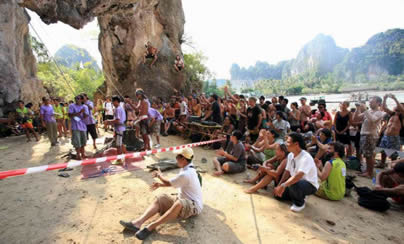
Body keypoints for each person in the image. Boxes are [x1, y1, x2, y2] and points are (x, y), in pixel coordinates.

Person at [119, 147, 202, 240]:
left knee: (179, 203)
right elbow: (176, 183)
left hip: (194, 206)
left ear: (183, 159)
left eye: (177, 157)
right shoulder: (188, 167)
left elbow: (169, 182)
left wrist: (159, 175)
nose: (176, 158)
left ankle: (151, 227)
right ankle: (137, 223)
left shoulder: (186, 173)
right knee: (161, 198)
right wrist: (160, 185)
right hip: (183, 199)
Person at [274, 133, 319, 212]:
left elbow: (298, 176)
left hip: (309, 185)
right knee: (278, 196)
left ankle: (299, 203)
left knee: (294, 183)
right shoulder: (290, 155)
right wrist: (279, 185)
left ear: (296, 144)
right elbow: (287, 171)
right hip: (295, 182)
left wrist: (283, 186)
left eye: (288, 142)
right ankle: (297, 194)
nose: (286, 144)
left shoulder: (306, 157)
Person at [353, 96, 386, 178]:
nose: (370, 103)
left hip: (370, 135)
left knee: (369, 155)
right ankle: (367, 171)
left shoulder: (379, 112)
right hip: (364, 134)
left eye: (372, 102)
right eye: (370, 102)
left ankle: (370, 173)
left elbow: (372, 119)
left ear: (378, 103)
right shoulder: (369, 111)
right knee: (366, 155)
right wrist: (357, 108)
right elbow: (355, 118)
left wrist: (365, 109)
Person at [378, 94, 404, 168]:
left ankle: (393, 165)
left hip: (394, 137)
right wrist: (385, 98)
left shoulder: (402, 116)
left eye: (400, 106)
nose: (398, 107)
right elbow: (384, 108)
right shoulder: (392, 114)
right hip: (386, 136)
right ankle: (382, 163)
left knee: (394, 153)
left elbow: (402, 109)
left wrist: (395, 99)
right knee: (383, 150)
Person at [104, 96, 127, 165]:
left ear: (116, 101)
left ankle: (119, 159)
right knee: (120, 142)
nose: (112, 103)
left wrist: (108, 121)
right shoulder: (120, 108)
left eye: (113, 102)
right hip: (119, 128)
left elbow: (117, 120)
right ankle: (125, 155)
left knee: (118, 145)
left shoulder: (118, 109)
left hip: (119, 128)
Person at [68, 95, 89, 160]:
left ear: (81, 100)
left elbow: (86, 116)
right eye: (76, 99)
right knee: (77, 141)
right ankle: (78, 154)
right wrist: (79, 112)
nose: (77, 100)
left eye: (78, 99)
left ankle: (83, 154)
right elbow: (69, 115)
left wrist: (83, 111)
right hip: (75, 126)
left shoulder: (85, 106)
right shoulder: (71, 106)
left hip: (83, 126)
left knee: (83, 140)